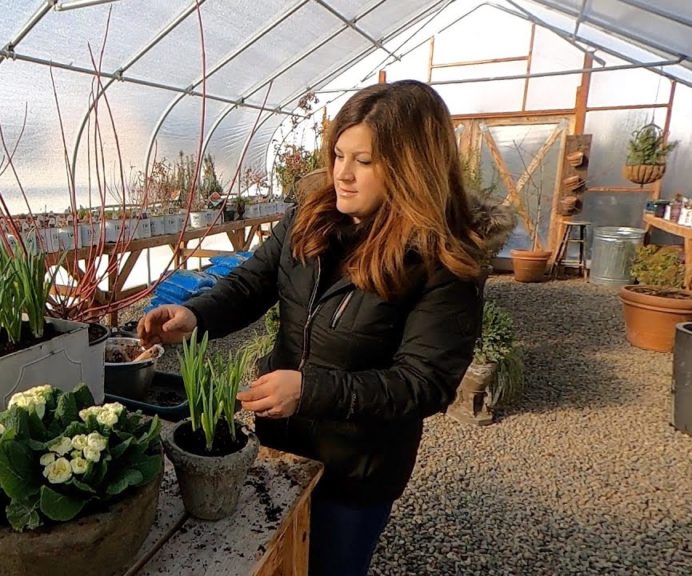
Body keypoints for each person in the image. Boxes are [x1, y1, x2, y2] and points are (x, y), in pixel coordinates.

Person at [137, 79, 486, 575]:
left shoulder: (441, 262)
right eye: (339, 155)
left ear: (411, 167)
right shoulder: (312, 217)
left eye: (363, 162)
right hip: (281, 442)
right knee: (278, 557)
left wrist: (310, 390)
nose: (342, 174)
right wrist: (196, 315)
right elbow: (252, 282)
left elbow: (423, 384)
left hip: (357, 468)